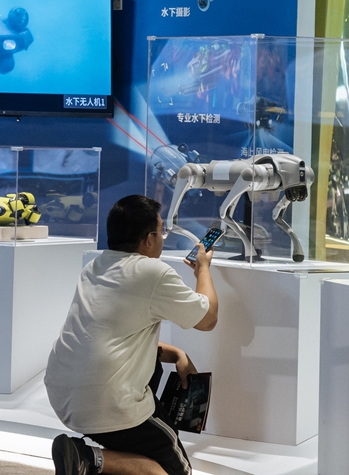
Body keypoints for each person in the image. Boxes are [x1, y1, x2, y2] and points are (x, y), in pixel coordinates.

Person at [45, 195, 219, 475]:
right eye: (161, 231)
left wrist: (176, 354)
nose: (163, 238)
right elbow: (208, 318)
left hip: (64, 396)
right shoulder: (151, 271)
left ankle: (89, 462)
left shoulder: (95, 267)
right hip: (108, 403)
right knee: (177, 472)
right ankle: (88, 456)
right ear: (148, 239)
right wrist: (204, 269)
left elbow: (110, 336)